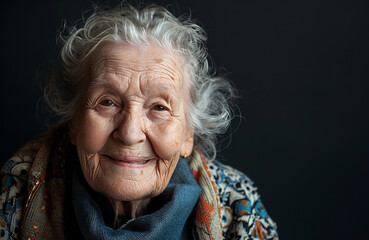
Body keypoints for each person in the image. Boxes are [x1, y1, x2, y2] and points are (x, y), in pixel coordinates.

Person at [0, 2, 278, 239]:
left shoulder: (238, 208)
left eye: (159, 107)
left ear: (187, 137)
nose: (130, 133)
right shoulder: (14, 193)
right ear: (74, 122)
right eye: (107, 102)